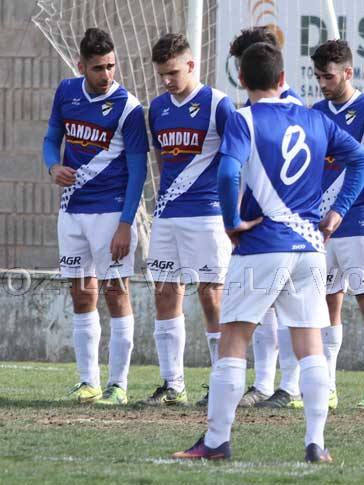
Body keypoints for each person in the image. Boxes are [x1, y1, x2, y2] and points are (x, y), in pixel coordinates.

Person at [172, 42, 364, 462]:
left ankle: (216, 440)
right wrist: (337, 212)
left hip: (262, 245)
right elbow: (362, 161)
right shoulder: (315, 118)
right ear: (283, 79)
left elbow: (227, 172)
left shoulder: (243, 119)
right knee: (309, 343)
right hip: (309, 248)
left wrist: (231, 221)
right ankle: (316, 442)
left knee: (234, 338)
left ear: (242, 80)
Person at [42, 28, 149, 405]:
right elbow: (51, 138)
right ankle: (89, 382)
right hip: (71, 210)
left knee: (116, 293)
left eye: (111, 66)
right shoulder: (66, 92)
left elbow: (138, 170)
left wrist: (125, 223)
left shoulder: (128, 107)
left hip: (111, 212)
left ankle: (118, 385)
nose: (107, 74)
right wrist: (53, 166)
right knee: (81, 294)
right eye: (98, 68)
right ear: (81, 66)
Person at [138, 33, 234, 407]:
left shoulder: (218, 105)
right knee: (165, 293)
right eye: (161, 74)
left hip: (208, 215)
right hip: (167, 215)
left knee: (211, 295)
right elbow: (162, 159)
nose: (166, 80)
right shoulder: (158, 108)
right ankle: (172, 385)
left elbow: (235, 162)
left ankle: (222, 382)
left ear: (191, 65)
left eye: (173, 72)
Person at [311, 39, 364, 409]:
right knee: (326, 302)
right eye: (317, 77)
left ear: (348, 72)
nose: (322, 84)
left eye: (328, 77)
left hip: (361, 220)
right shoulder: (315, 112)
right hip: (322, 224)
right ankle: (327, 387)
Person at [228, 26, 305, 409]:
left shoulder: (290, 109)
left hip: (283, 225)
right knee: (265, 308)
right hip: (263, 223)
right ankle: (264, 383)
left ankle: (288, 386)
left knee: (288, 308)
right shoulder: (253, 108)